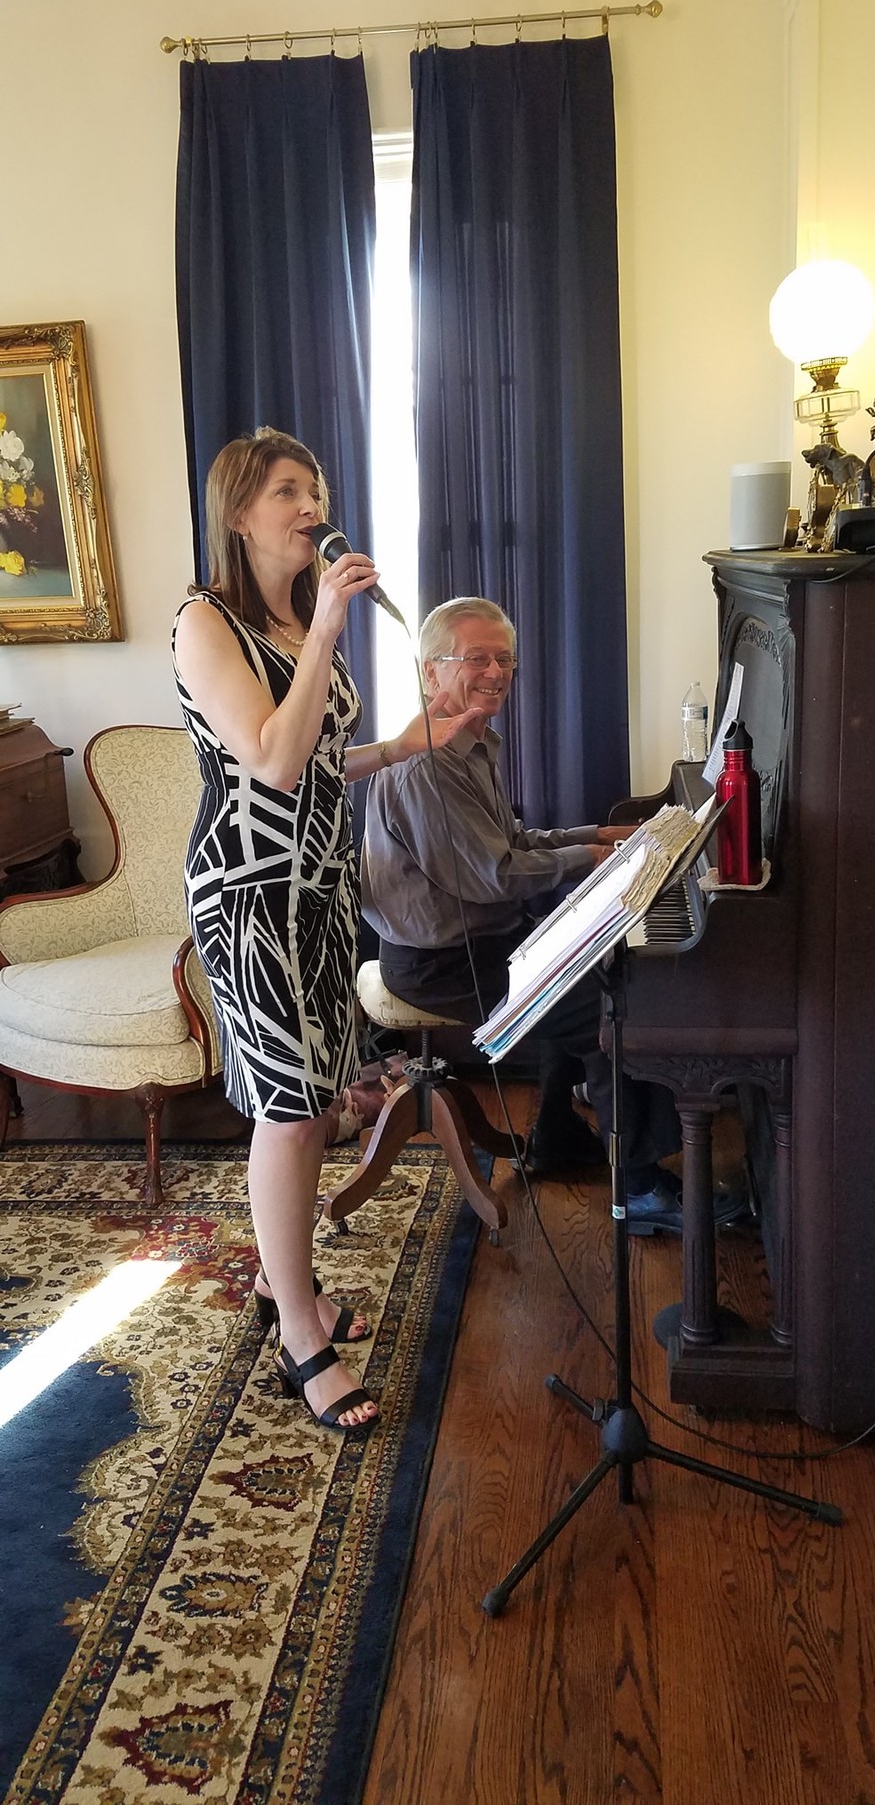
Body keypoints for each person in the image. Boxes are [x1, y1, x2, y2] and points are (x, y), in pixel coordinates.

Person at [171, 430, 482, 1435]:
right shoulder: (205, 621)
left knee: (314, 1101)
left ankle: (282, 1279)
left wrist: (400, 745)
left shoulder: (297, 618)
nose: (313, 506)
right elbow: (269, 759)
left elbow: (320, 756)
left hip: (320, 890)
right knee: (290, 1108)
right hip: (251, 895)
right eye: (289, 490)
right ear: (239, 513)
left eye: (316, 489)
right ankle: (300, 1335)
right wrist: (328, 629)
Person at [361, 596, 688, 1236]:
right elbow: (496, 875)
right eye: (476, 659)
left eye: (505, 660)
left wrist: (598, 836)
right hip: (439, 963)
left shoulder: (472, 742)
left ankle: (556, 1138)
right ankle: (642, 1189)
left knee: (595, 968)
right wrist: (593, 857)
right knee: (608, 1009)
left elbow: (510, 842)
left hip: (480, 940)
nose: (495, 673)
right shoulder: (428, 765)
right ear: (431, 671)